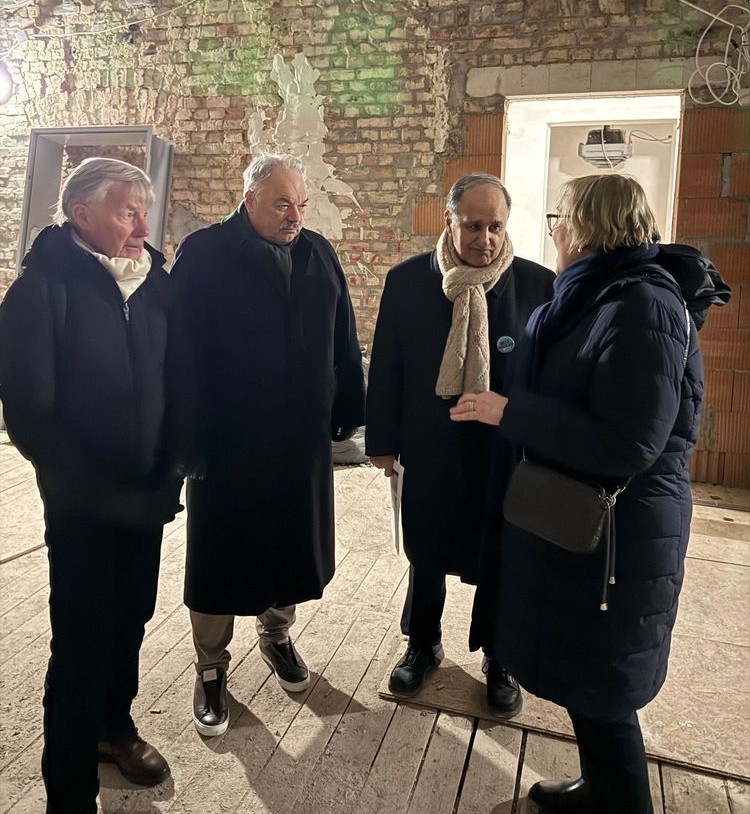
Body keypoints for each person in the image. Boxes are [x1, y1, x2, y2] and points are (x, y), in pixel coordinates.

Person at [452, 174, 723, 814]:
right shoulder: (600, 294)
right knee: (590, 681)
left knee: (604, 692)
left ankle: (622, 800)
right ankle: (600, 788)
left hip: (617, 538)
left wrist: (508, 412)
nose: (554, 231)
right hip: (586, 526)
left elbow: (630, 442)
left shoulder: (642, 306)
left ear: (584, 227)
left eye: (559, 217)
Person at [0, 158, 181, 814]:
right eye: (127, 210)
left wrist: (175, 460)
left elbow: (178, 378)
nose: (142, 223)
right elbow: (27, 408)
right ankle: (69, 791)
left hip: (150, 495)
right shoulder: (42, 290)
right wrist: (83, 480)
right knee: (79, 641)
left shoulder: (156, 284)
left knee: (130, 621)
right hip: (84, 504)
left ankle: (116, 730)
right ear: (82, 215)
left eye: (144, 209)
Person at [170, 153, 365, 737]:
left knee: (291, 542)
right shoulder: (205, 253)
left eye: (301, 204)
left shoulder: (316, 251)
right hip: (226, 438)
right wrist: (187, 436)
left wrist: (348, 408)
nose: (294, 216)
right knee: (220, 552)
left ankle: (276, 635)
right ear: (249, 199)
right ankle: (210, 668)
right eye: (283, 203)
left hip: (299, 435)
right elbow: (179, 352)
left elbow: (343, 333)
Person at [366, 173, 554, 711]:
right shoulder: (407, 281)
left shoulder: (538, 286)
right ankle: (421, 643)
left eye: (495, 226)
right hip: (430, 442)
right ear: (449, 220)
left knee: (500, 549)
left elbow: (545, 380)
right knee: (426, 547)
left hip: (503, 449)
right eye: (473, 225)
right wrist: (382, 441)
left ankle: (500, 654)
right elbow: (387, 368)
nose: (485, 239)